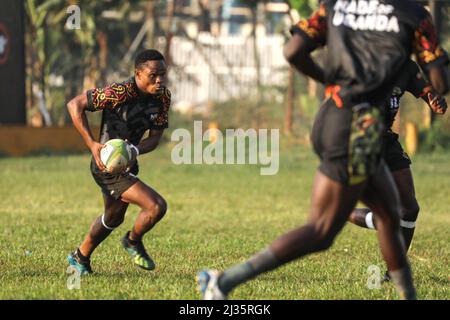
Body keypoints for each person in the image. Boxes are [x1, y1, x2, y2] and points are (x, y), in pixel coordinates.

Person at [197, 0, 449, 300]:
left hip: (337, 119)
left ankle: (408, 295)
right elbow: (439, 81)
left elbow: (293, 51)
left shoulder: (337, 5)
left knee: (391, 215)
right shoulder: (413, 14)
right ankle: (223, 282)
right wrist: (428, 53)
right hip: (357, 129)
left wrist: (330, 82)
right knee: (321, 231)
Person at [66, 49, 171, 274]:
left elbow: (154, 140)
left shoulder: (163, 97)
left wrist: (134, 149)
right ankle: (132, 241)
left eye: (163, 74)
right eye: (154, 75)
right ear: (138, 73)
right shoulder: (120, 92)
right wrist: (92, 144)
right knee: (156, 206)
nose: (160, 79)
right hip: (107, 167)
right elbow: (74, 105)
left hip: (127, 163)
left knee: (113, 217)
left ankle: (80, 257)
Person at [348, 59, 447, 281]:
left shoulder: (407, 68)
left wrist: (435, 100)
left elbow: (427, 92)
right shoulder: (362, 62)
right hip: (359, 141)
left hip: (387, 142)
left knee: (409, 209)